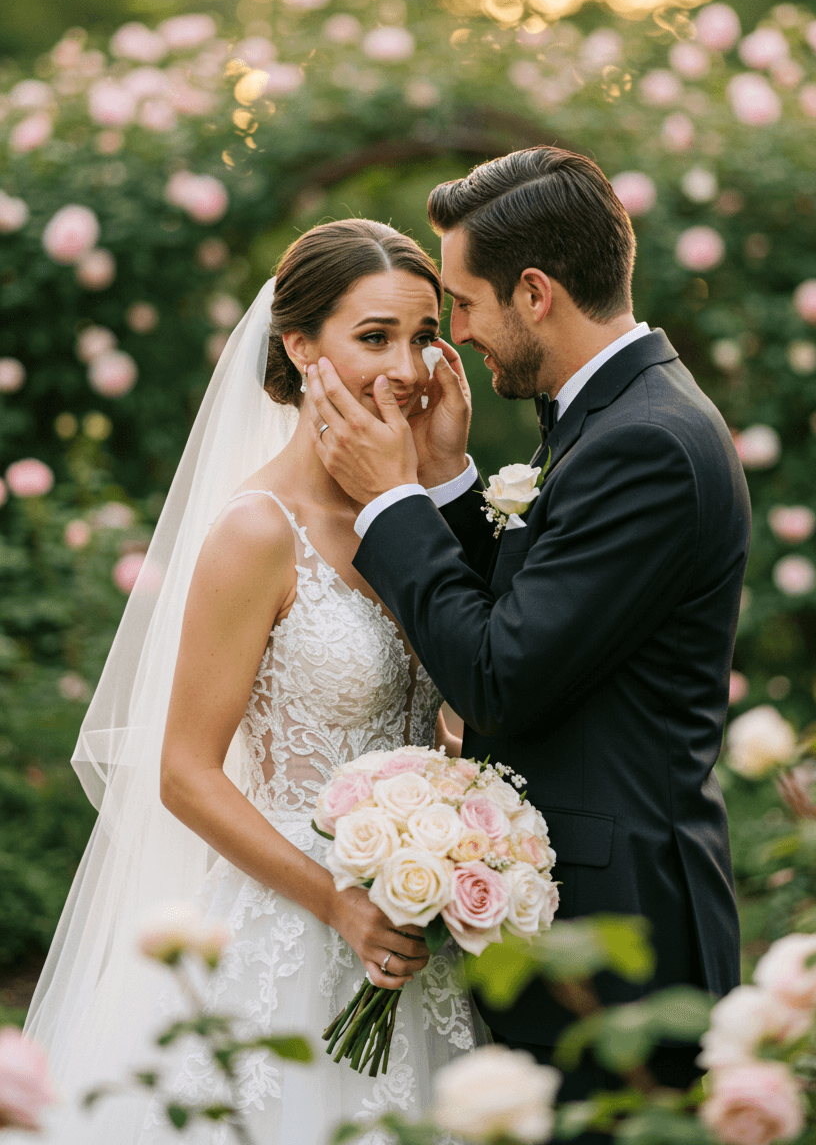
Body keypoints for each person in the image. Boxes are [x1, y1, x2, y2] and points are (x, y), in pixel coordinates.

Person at [304, 147, 751, 1111]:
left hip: (624, 936)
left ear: (536, 292)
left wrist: (389, 500)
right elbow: (541, 614)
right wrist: (455, 484)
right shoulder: (611, 416)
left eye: (463, 304)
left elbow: (500, 675)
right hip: (582, 916)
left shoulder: (644, 443)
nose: (454, 337)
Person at [21, 219, 481, 1145]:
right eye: (374, 336)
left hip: (414, 924)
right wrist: (338, 904)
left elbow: (470, 699)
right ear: (300, 345)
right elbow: (183, 773)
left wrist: (443, 484)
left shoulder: (417, 520)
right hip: (290, 929)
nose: (408, 366)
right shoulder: (258, 530)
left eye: (426, 335)